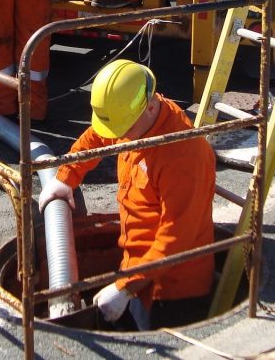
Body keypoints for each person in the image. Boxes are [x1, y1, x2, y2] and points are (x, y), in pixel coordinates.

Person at [38, 59, 215, 330]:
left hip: (172, 292)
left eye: (123, 131)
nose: (118, 137)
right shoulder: (134, 119)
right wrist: (66, 177)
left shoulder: (182, 156)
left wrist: (125, 288)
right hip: (136, 272)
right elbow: (97, 136)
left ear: (151, 107)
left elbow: (176, 239)